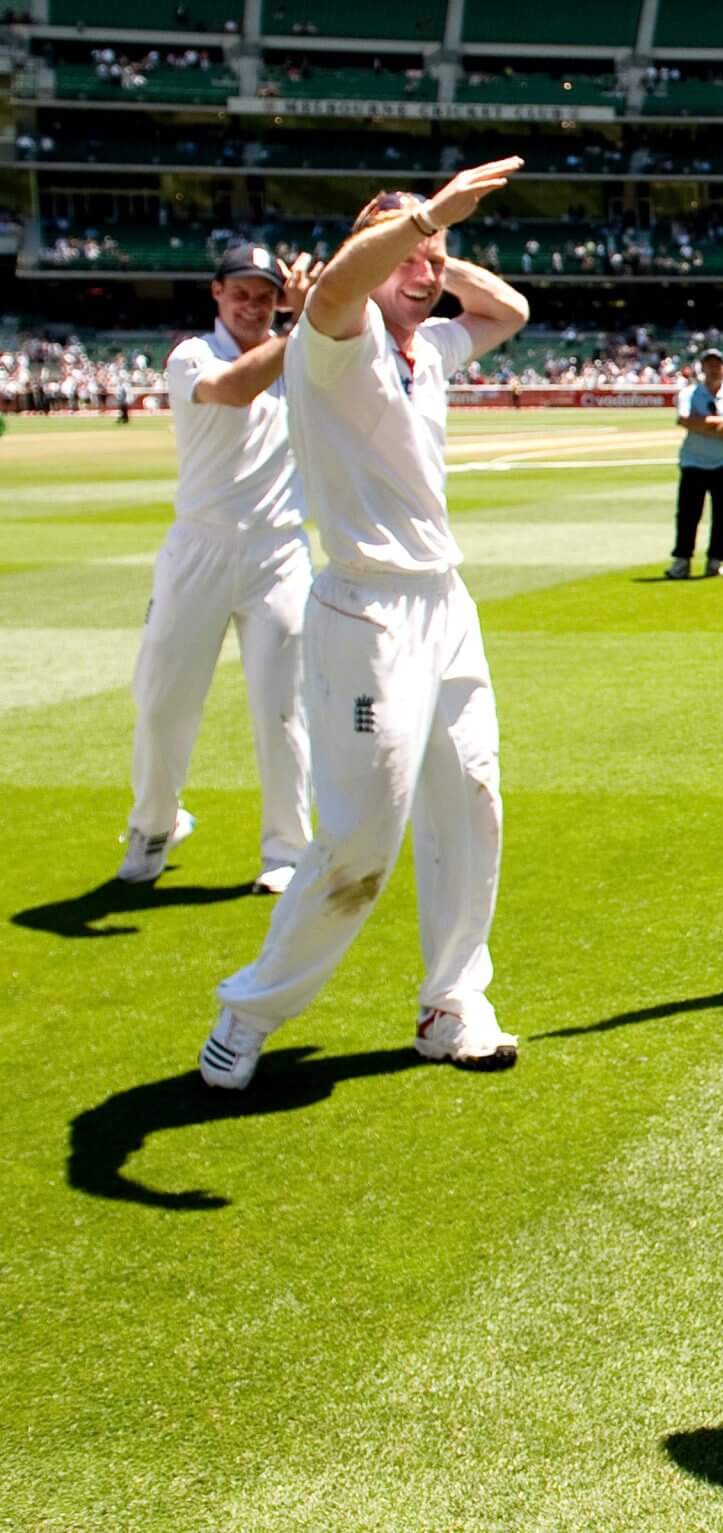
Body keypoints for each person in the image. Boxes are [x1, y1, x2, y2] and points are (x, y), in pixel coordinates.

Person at [197, 160, 533, 1091]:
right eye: (411, 259)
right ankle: (250, 1007)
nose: (428, 271)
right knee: (358, 839)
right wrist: (421, 217)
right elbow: (341, 285)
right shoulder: (335, 339)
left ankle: (452, 1003)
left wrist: (433, 250)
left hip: (444, 602)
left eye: (439, 261)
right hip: (364, 608)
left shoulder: (427, 350)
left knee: (473, 800)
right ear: (365, 253)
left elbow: (509, 314)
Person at [121, 241, 317, 893]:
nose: (253, 304)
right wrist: (299, 325)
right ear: (216, 293)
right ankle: (153, 824)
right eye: (241, 292)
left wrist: (315, 314)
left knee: (283, 707)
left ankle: (287, 850)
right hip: (199, 548)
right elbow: (235, 389)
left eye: (265, 293)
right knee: (162, 701)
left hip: (279, 551)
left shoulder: (302, 351)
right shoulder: (193, 356)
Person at [667, 347, 723, 580]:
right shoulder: (689, 394)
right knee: (688, 515)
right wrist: (717, 423)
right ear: (702, 367)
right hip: (693, 461)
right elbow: (685, 420)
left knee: (722, 516)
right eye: (709, 364)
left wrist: (703, 424)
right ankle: (682, 561)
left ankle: (715, 561)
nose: (713, 368)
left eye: (717, 364)